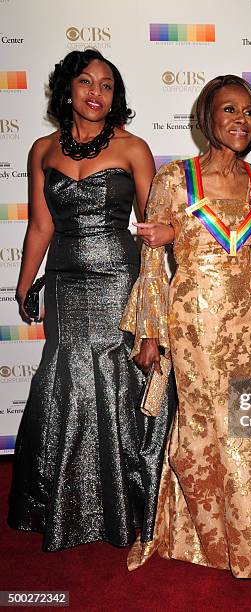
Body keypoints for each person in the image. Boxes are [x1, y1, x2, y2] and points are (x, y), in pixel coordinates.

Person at [121, 74, 251, 578]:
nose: (241, 120)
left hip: (246, 325)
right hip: (194, 324)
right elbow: (153, 262)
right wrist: (150, 333)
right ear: (208, 117)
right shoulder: (174, 178)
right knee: (207, 432)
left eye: (248, 111)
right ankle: (213, 540)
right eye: (230, 110)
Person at [8, 49, 174, 551]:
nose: (95, 92)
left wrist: (158, 295)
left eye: (106, 85)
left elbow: (151, 228)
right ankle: (66, 502)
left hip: (118, 278)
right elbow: (41, 224)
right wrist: (23, 284)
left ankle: (126, 503)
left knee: (119, 378)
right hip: (63, 280)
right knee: (65, 378)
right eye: (85, 82)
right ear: (68, 89)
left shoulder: (132, 148)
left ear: (115, 96)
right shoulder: (41, 149)